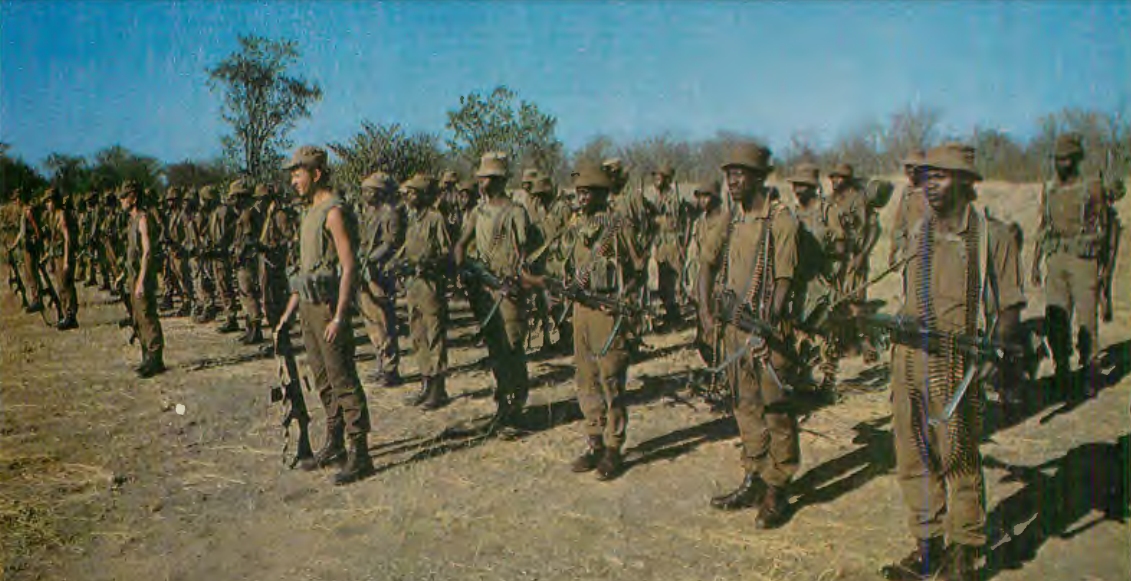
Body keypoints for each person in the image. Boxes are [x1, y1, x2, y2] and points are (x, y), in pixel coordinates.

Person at [879, 143, 1024, 581]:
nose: (930, 185)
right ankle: (927, 545)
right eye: (927, 177)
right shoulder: (919, 230)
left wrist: (994, 354)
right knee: (912, 454)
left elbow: (1009, 306)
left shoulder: (991, 237)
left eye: (940, 176)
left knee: (957, 456)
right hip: (909, 358)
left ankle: (965, 550)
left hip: (957, 362)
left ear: (965, 181)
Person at [698, 142, 799, 529]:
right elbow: (706, 265)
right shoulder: (731, 219)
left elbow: (783, 283)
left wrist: (763, 328)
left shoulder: (781, 221)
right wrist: (705, 312)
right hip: (732, 330)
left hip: (767, 334)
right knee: (744, 405)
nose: (732, 181)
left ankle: (778, 486)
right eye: (729, 174)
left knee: (776, 409)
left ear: (759, 177)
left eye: (740, 174)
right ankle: (755, 475)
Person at [275, 145, 374, 485]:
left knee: (342, 378)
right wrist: (289, 313)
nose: (293, 180)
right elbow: (304, 271)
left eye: (298, 173)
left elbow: (349, 267)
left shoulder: (334, 212)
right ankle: (335, 442)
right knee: (321, 378)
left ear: (316, 174)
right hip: (307, 307)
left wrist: (340, 317)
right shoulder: (309, 213)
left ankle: (360, 451)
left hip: (329, 309)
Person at [539, 162, 643, 480]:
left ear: (601, 194)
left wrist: (627, 303)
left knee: (610, 377)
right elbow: (563, 262)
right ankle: (594, 440)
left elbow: (637, 268)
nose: (581, 198)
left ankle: (613, 447)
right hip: (580, 311)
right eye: (579, 192)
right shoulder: (574, 226)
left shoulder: (618, 225)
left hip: (607, 310)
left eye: (587, 193)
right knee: (585, 378)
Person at [453, 153, 538, 437]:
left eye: (485, 177)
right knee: (496, 350)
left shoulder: (516, 212)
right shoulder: (478, 212)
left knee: (513, 349)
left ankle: (516, 410)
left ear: (499, 180)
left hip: (509, 292)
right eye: (479, 176)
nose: (479, 181)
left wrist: (518, 278)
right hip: (485, 292)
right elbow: (461, 245)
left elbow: (527, 253)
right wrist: (464, 269)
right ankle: (503, 405)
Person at [1031, 133, 1111, 398]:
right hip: (1055, 259)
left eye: (1066, 158)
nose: (1061, 163)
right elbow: (1043, 226)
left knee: (1086, 322)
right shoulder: (1050, 188)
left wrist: (1105, 269)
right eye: (1057, 159)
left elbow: (1106, 227)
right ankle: (1062, 373)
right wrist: (1035, 263)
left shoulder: (1092, 188)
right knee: (1056, 320)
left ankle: (1089, 373)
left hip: (1083, 260)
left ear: (1076, 159)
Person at [398, 173, 452, 409]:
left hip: (431, 284)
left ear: (422, 195)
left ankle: (439, 389)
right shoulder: (412, 220)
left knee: (434, 335)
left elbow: (446, 253)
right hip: (413, 285)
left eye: (412, 192)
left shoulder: (435, 219)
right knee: (417, 334)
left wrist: (427, 264)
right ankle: (426, 383)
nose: (408, 196)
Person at [357, 171, 404, 388]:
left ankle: (391, 368)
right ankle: (380, 363)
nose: (364, 194)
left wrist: (369, 259)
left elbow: (390, 243)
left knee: (385, 319)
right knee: (371, 319)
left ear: (379, 193)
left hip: (380, 272)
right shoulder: (368, 214)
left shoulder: (390, 214)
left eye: (369, 191)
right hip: (366, 271)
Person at [119, 181, 167, 378]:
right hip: (133, 275)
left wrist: (140, 281)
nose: (121, 201)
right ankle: (147, 356)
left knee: (147, 316)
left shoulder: (143, 219)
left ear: (134, 197)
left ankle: (155, 358)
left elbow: (147, 252)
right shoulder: (132, 220)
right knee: (138, 318)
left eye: (124, 196)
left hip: (142, 276)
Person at [650, 164, 692, 330]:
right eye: (655, 178)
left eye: (659, 178)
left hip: (673, 243)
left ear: (667, 180)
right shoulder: (656, 199)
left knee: (674, 283)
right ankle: (670, 316)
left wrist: (684, 244)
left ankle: (677, 319)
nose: (656, 181)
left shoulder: (675, 198)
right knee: (663, 284)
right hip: (661, 244)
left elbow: (684, 221)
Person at [231, 178, 265, 344]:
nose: (234, 202)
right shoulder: (247, 213)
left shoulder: (247, 214)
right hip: (245, 258)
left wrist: (239, 254)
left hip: (247, 259)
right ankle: (250, 328)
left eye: (236, 197)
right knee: (245, 295)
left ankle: (255, 329)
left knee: (248, 294)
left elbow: (249, 238)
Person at [43, 187, 79, 329]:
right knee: (61, 286)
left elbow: (67, 239)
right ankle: (66, 315)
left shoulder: (62, 215)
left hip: (64, 255)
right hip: (57, 255)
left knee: (67, 285)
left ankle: (71, 316)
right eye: (47, 202)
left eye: (50, 201)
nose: (48, 204)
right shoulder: (52, 216)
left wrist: (66, 260)